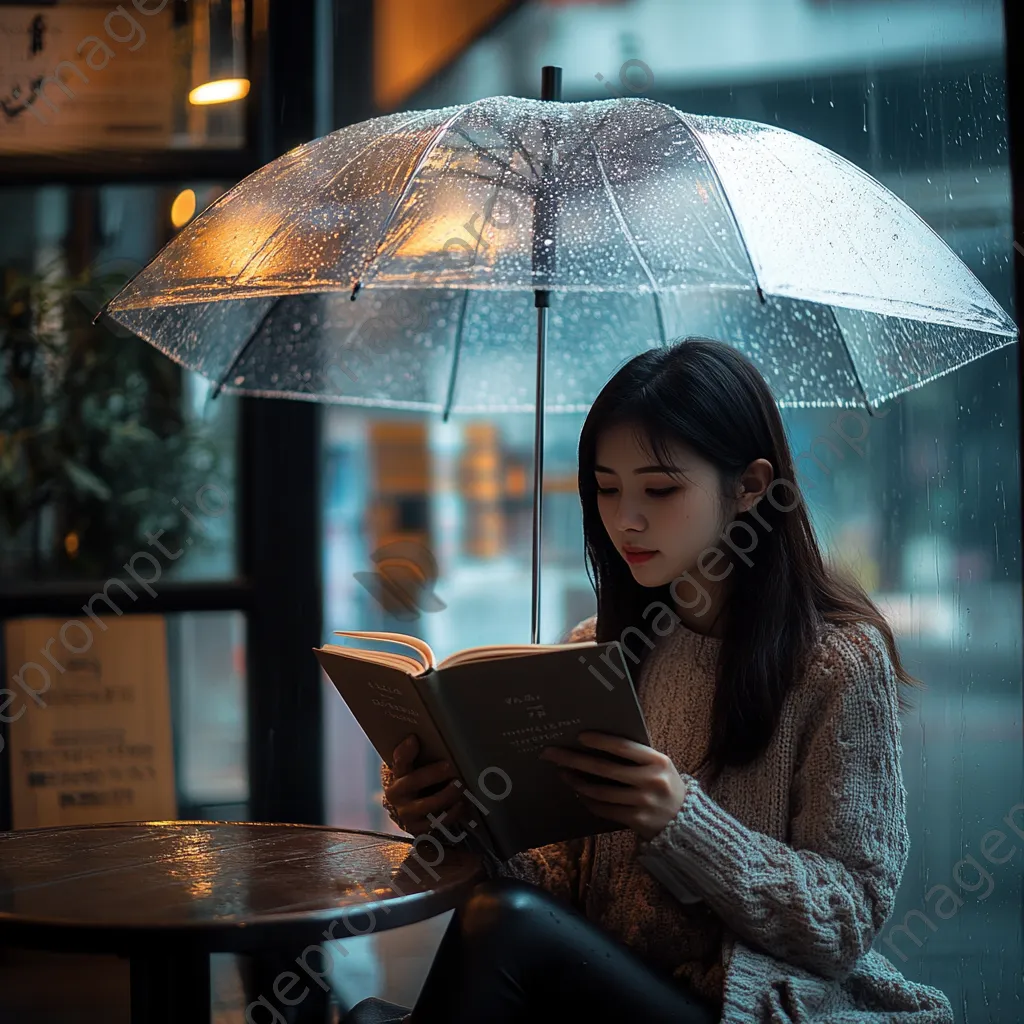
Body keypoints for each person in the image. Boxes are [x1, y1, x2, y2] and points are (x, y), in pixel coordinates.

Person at [342, 338, 955, 1024]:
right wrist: (455, 823)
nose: (625, 518)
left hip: (744, 1006)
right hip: (605, 989)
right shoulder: (597, 653)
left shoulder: (837, 665)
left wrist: (681, 821)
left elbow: (846, 923)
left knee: (472, 947)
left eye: (659, 489)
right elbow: (554, 890)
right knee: (456, 948)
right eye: (606, 488)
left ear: (749, 487)